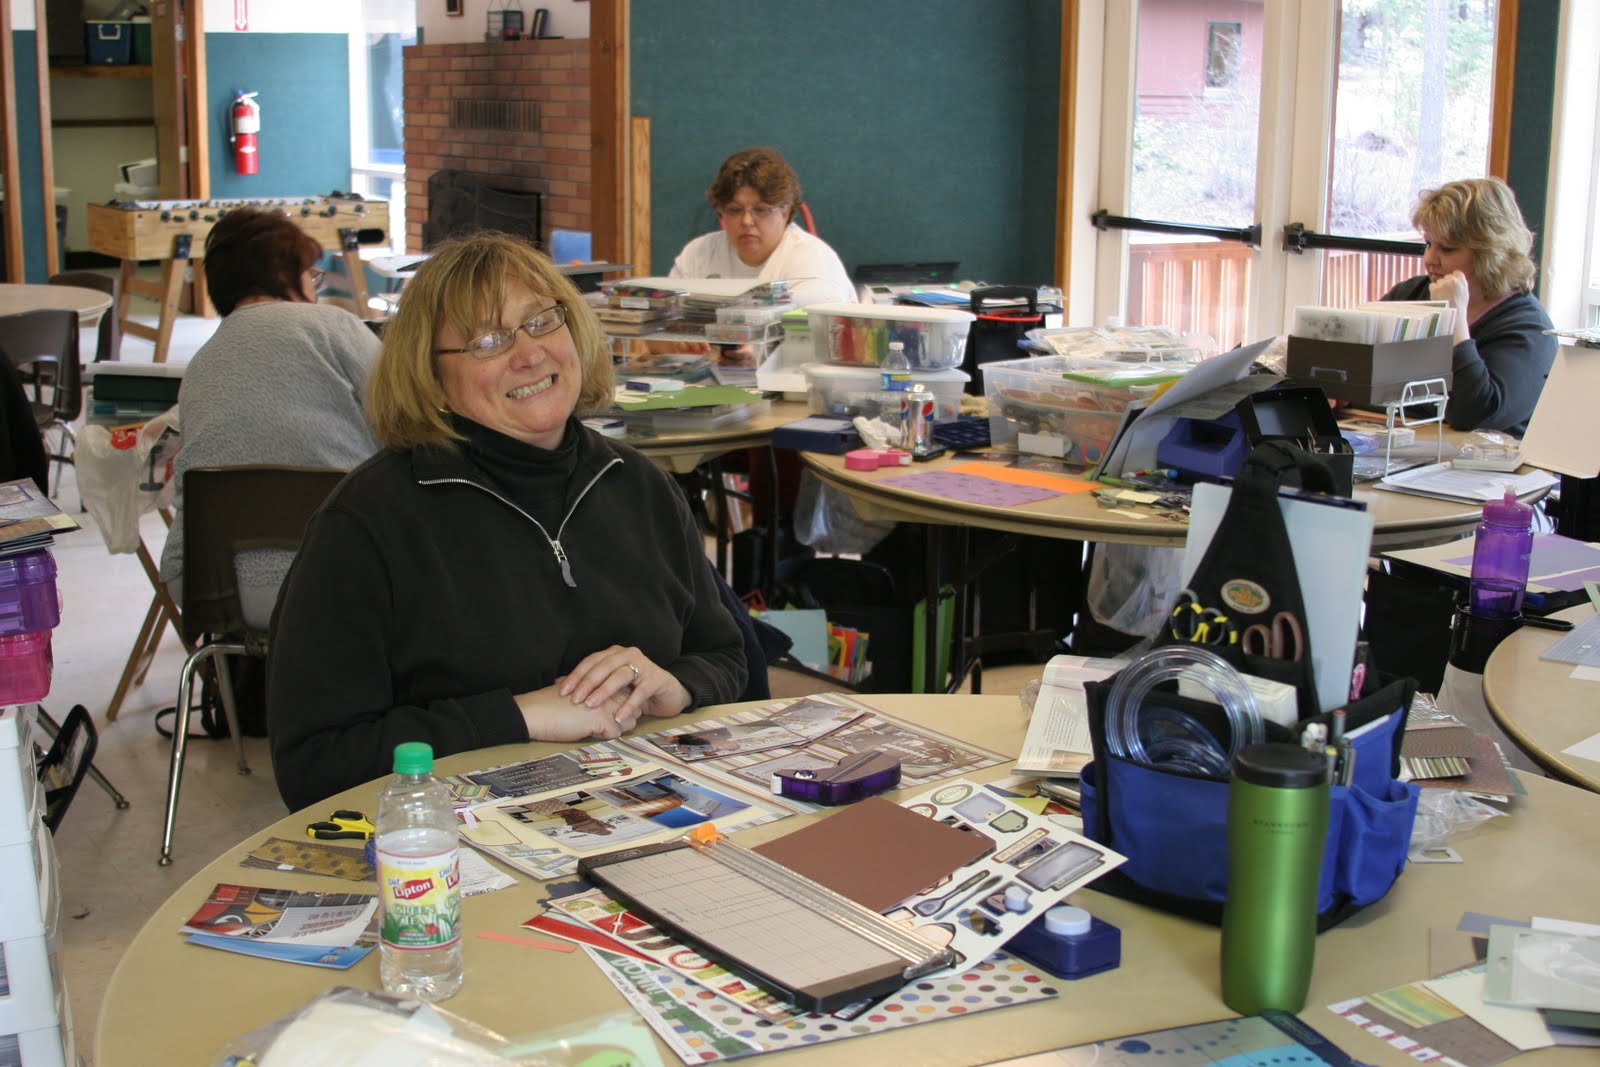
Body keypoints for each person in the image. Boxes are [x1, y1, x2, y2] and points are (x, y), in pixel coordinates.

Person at [266, 232, 747, 811]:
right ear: (430, 375)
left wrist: (678, 685)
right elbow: (314, 763)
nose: (529, 354)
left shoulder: (640, 484)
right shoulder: (365, 524)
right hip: (451, 841)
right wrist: (518, 715)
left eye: (541, 321)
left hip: (651, 813)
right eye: (487, 341)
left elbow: (727, 655)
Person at [159, 207, 380, 630]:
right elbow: (406, 419)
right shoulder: (333, 325)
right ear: (283, 274)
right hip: (337, 575)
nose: (313, 288)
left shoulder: (201, 362)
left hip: (208, 585)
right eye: (311, 275)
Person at [1382, 177, 1556, 435]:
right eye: (1428, 244)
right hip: (1403, 446)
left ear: (1490, 252)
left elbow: (1472, 414)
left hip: (1483, 459)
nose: (1430, 259)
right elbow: (1357, 373)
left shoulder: (1530, 331)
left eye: (1447, 249)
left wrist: (1455, 319)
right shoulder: (1410, 295)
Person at [669, 145, 856, 313]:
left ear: (785, 212)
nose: (746, 221)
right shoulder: (698, 254)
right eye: (734, 210)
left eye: (761, 210)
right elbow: (663, 322)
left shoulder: (814, 264)